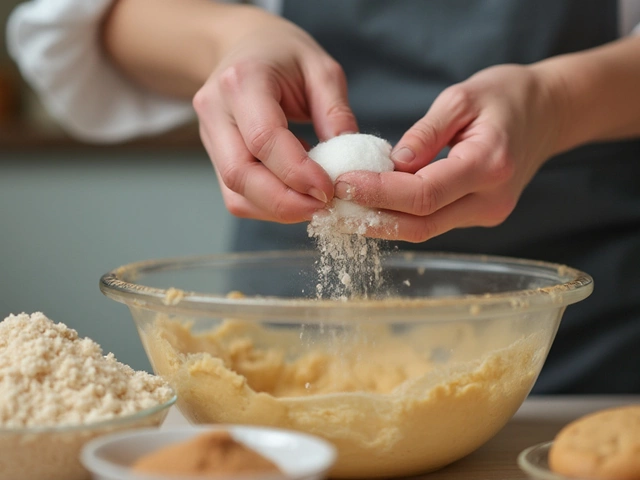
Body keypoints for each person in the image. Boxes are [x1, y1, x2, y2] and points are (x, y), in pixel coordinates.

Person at [7, 0, 640, 394]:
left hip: (571, 350)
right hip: (280, 306)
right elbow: (80, 21)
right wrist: (230, 36)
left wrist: (558, 103)